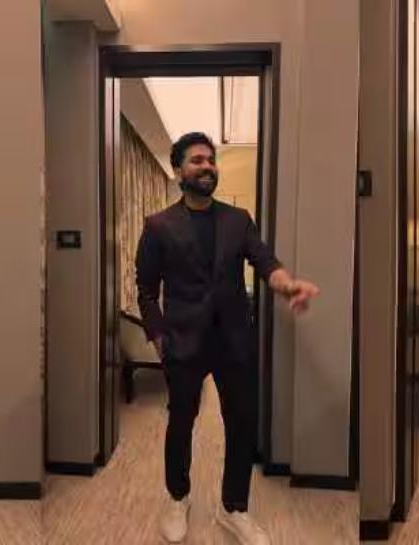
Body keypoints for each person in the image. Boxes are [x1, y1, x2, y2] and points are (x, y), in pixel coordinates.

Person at [136, 132, 320, 544]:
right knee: (181, 423)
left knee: (241, 424)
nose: (207, 166)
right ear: (178, 171)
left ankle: (233, 507)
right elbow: (146, 290)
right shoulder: (158, 226)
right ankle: (177, 497)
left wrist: (286, 284)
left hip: (235, 341)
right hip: (183, 342)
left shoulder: (238, 220)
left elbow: (264, 260)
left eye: (211, 160)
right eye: (197, 160)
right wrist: (159, 339)